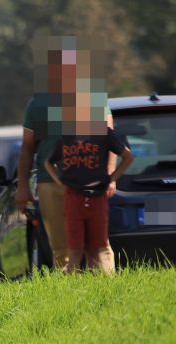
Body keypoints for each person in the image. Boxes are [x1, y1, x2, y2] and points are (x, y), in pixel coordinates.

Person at [15, 38, 117, 271]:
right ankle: (70, 295)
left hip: (90, 182)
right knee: (62, 247)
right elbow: (28, 147)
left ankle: (105, 292)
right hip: (51, 183)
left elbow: (111, 138)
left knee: (98, 245)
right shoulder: (38, 104)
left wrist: (111, 175)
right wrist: (22, 186)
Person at [44, 93, 133, 273]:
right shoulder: (67, 136)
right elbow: (48, 162)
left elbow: (128, 157)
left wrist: (111, 178)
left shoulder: (103, 133)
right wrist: (60, 181)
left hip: (97, 196)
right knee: (75, 250)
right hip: (73, 196)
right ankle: (71, 289)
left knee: (98, 247)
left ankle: (101, 286)